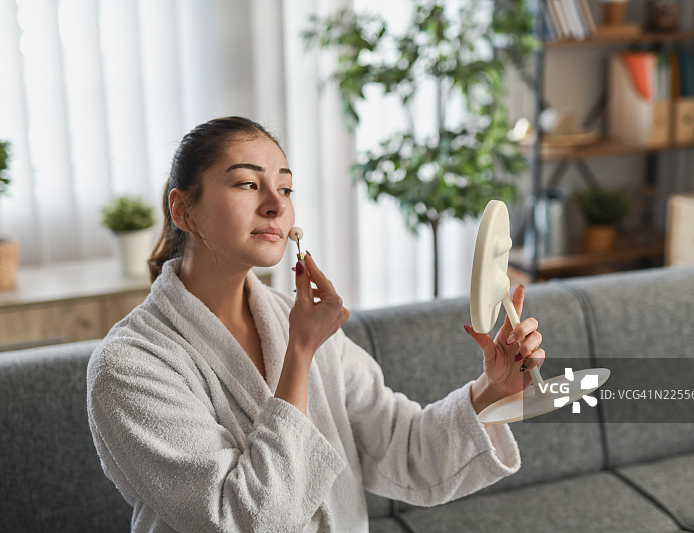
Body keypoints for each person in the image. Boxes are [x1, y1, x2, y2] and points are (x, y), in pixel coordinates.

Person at [87, 116, 545, 532]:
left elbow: (404, 449)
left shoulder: (300, 322)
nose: (274, 206)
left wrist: (494, 389)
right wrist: (299, 354)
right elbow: (243, 520)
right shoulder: (128, 366)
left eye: (285, 189)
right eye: (247, 184)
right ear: (182, 209)